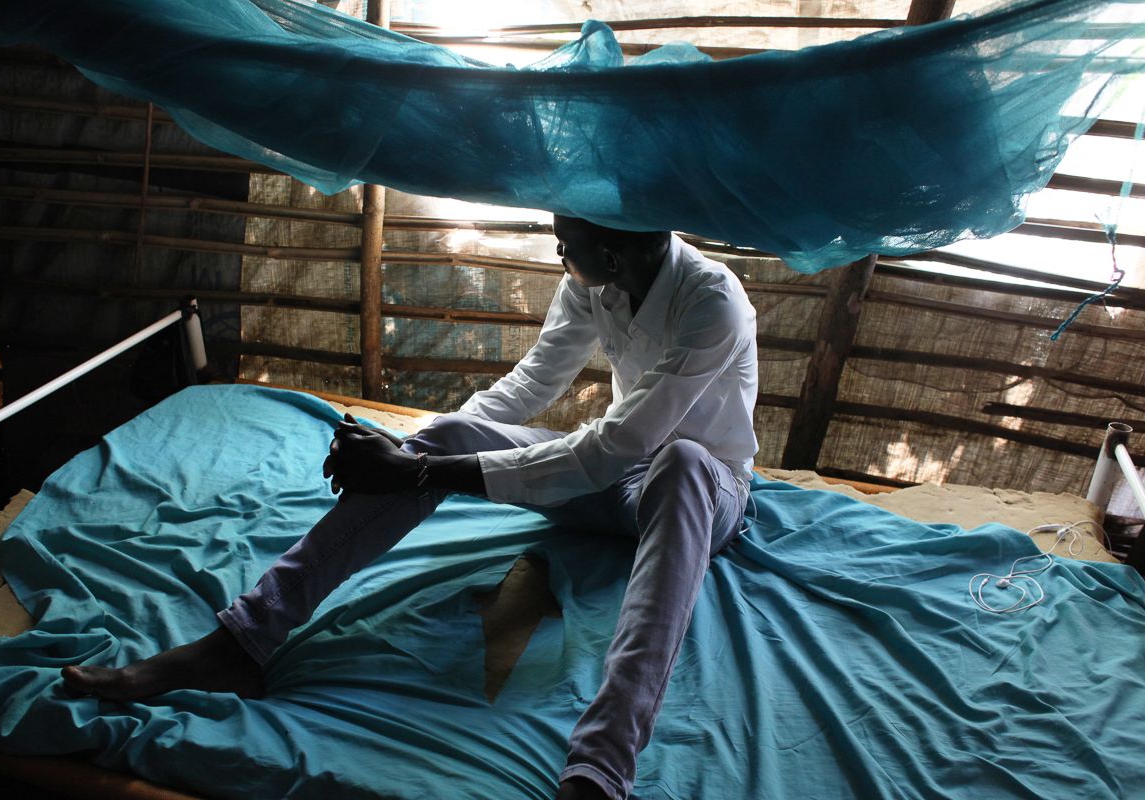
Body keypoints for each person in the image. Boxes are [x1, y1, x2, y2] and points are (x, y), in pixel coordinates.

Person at [62, 214, 759, 800]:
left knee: (682, 462)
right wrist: (414, 451)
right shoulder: (598, 282)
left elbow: (611, 449)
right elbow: (528, 387)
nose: (557, 252)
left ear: (610, 249)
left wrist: (422, 470)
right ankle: (240, 640)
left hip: (700, 493)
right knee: (452, 434)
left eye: (563, 240)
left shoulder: (712, 301)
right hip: (615, 478)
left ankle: (602, 765)